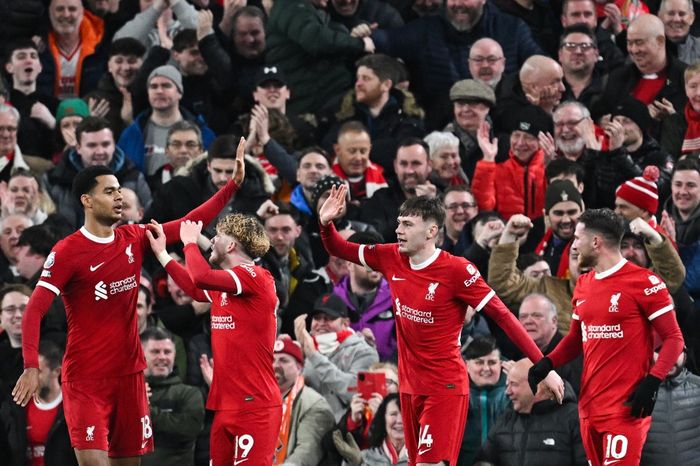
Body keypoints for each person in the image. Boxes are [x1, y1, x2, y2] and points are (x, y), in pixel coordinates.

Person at [12, 138, 248, 466]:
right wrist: (30, 366)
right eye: (109, 191)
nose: (119, 196)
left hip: (130, 377)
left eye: (119, 189)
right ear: (87, 201)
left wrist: (232, 185)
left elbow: (190, 222)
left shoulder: (134, 238)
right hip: (86, 379)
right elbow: (34, 308)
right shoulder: (67, 251)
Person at [318, 185, 565, 465]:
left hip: (444, 387)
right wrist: (326, 223)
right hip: (409, 387)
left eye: (408, 224)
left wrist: (544, 366)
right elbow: (339, 247)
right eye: (399, 222)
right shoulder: (390, 257)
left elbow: (504, 317)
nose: (399, 229)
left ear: (431, 232)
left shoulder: (457, 270)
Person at [528, 208, 685, 466]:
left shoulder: (644, 282)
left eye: (578, 239)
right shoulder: (584, 283)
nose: (574, 246)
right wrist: (547, 363)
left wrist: (653, 382)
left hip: (624, 408)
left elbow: (674, 338)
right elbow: (577, 338)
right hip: (589, 409)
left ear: (596, 242)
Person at [148, 212, 281, 466]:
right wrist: (163, 254)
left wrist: (188, 241)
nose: (211, 240)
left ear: (230, 245)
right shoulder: (227, 288)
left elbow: (201, 276)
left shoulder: (256, 278)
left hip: (255, 407)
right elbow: (194, 288)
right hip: (227, 405)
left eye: (217, 237)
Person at [475, 358, 586, 466]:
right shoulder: (507, 419)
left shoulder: (574, 418)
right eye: (507, 385)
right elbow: (484, 459)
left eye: (513, 384)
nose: (507, 392)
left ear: (535, 385)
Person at [294, 292, 379, 419]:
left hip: (342, 430)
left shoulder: (364, 352)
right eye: (317, 318)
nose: (322, 323)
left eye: (330, 318)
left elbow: (357, 391)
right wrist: (293, 355)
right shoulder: (304, 348)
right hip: (305, 424)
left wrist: (314, 357)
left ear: (345, 323)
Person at [0, 340, 77, 466]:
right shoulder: (14, 407)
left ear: (57, 371)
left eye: (38, 371)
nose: (30, 377)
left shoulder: (75, 408)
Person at [140, 326, 204, 466]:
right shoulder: (126, 395)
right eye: (155, 352)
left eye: (167, 352)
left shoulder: (189, 394)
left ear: (175, 355)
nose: (162, 357)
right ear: (141, 354)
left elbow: (189, 428)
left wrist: (144, 409)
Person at [272, 334, 335, 465]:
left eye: (283, 360)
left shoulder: (314, 405)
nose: (276, 365)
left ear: (299, 367)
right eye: (272, 360)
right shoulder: (255, 400)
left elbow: (306, 455)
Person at [640, 347, 700, 465]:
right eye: (659, 350)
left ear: (685, 355)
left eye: (676, 351)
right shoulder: (634, 392)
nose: (669, 357)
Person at [457, 337, 510, 466]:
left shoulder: (513, 395)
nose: (486, 368)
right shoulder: (454, 396)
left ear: (501, 364)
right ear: (466, 365)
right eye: (479, 362)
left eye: (492, 362)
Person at [333, 393, 408, 465]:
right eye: (393, 414)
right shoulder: (365, 457)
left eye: (405, 414)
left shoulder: (418, 457)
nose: (399, 420)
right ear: (383, 418)